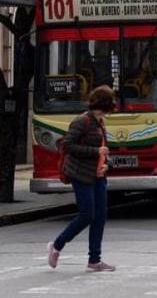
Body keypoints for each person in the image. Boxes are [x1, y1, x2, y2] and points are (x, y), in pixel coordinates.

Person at [47, 85, 116, 272]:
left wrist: (107, 163)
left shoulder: (100, 122)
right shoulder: (82, 121)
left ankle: (94, 260)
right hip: (81, 174)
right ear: (105, 104)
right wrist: (95, 152)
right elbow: (67, 145)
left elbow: (103, 148)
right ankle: (57, 245)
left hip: (98, 175)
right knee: (87, 215)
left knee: (100, 216)